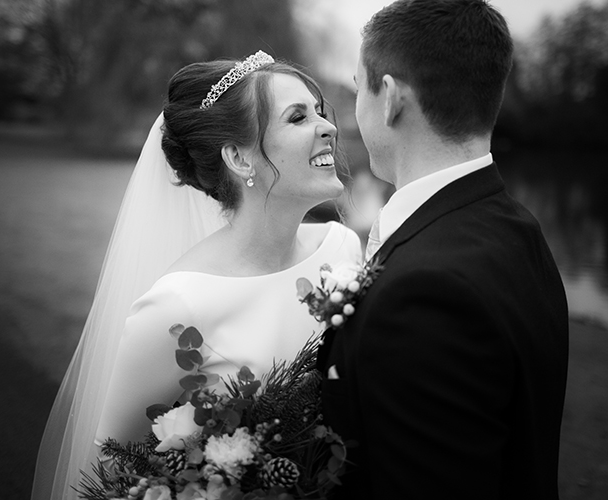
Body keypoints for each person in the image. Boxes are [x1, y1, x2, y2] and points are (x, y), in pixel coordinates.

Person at [31, 51, 362, 500]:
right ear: (239, 158)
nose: (329, 127)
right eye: (298, 117)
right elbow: (115, 464)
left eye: (320, 113)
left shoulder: (342, 248)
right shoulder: (176, 307)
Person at [318, 1, 569, 499]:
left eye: (357, 86)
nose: (354, 108)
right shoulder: (518, 228)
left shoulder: (424, 295)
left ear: (389, 98)